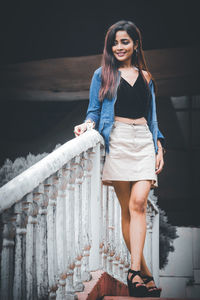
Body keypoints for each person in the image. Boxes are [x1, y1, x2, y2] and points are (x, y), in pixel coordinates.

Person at [74, 20, 165, 297]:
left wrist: (159, 144)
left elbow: (153, 118)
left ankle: (133, 271)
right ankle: (144, 275)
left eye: (125, 41)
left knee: (139, 203)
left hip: (143, 141)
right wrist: (87, 126)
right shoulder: (102, 74)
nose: (119, 47)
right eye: (114, 42)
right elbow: (93, 110)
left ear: (135, 44)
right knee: (129, 210)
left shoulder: (146, 77)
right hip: (118, 141)